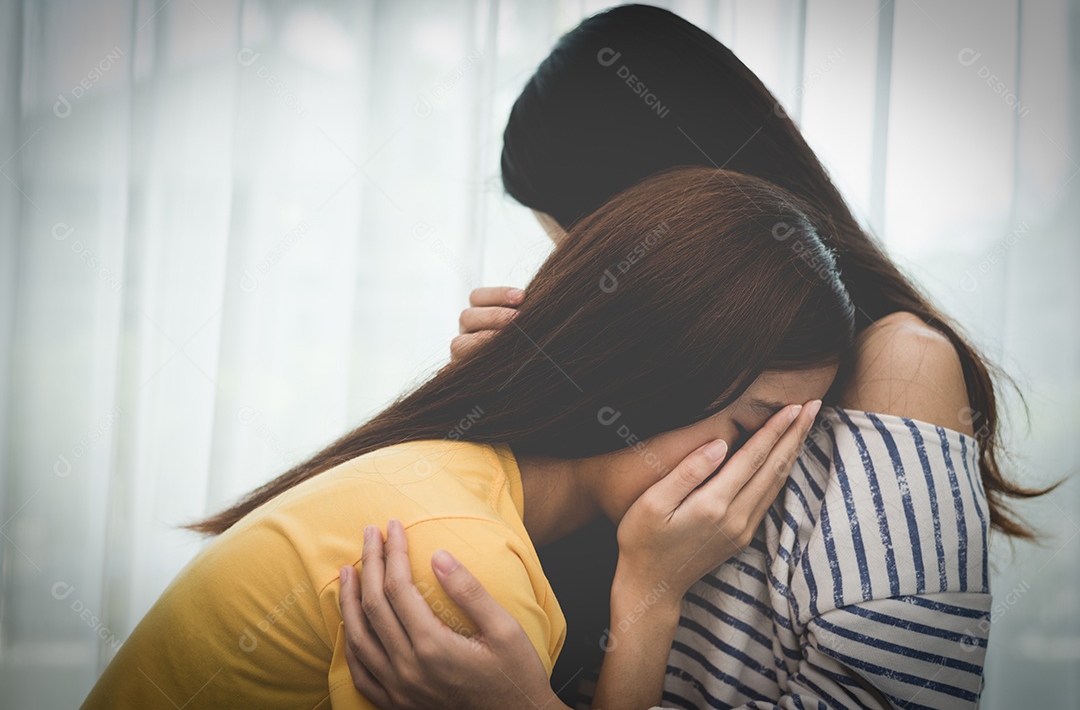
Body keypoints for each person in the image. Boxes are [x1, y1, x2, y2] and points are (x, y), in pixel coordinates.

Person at [335, 4, 1055, 710]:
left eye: (600, 253)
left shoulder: (899, 364)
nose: (590, 291)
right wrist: (512, 415)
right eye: (569, 262)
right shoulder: (657, 400)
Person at [78, 166, 854, 710]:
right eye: (756, 432)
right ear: (650, 374)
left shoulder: (453, 476)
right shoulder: (465, 570)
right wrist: (652, 600)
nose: (764, 479)